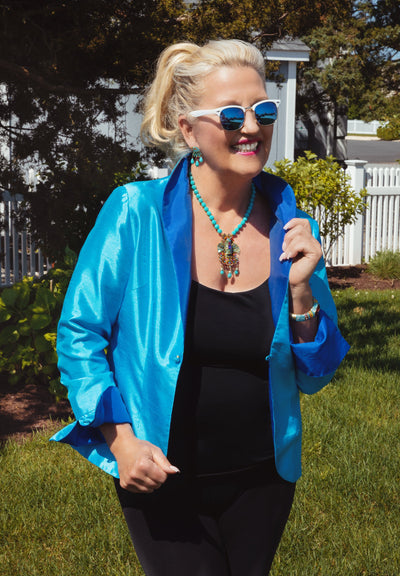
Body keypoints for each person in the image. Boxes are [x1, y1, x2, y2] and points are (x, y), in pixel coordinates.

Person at [52, 39, 349, 576]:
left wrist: (303, 293)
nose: (251, 128)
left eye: (263, 111)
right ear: (189, 130)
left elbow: (316, 375)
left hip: (264, 480)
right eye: (232, 115)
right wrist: (121, 443)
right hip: (160, 473)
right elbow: (80, 334)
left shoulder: (290, 224)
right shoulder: (135, 213)